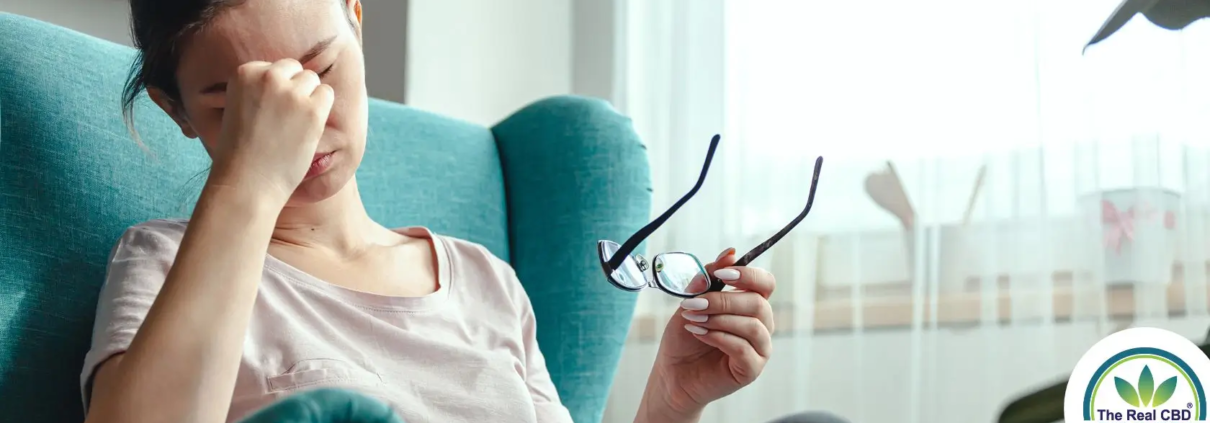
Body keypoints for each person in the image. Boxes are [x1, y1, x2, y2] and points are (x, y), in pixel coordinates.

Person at [79, 1, 779, 422]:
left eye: (320, 72)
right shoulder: (167, 264)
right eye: (239, 107)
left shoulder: (484, 281)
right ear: (175, 111)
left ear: (356, 20)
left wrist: (670, 399)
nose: (303, 124)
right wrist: (250, 180)